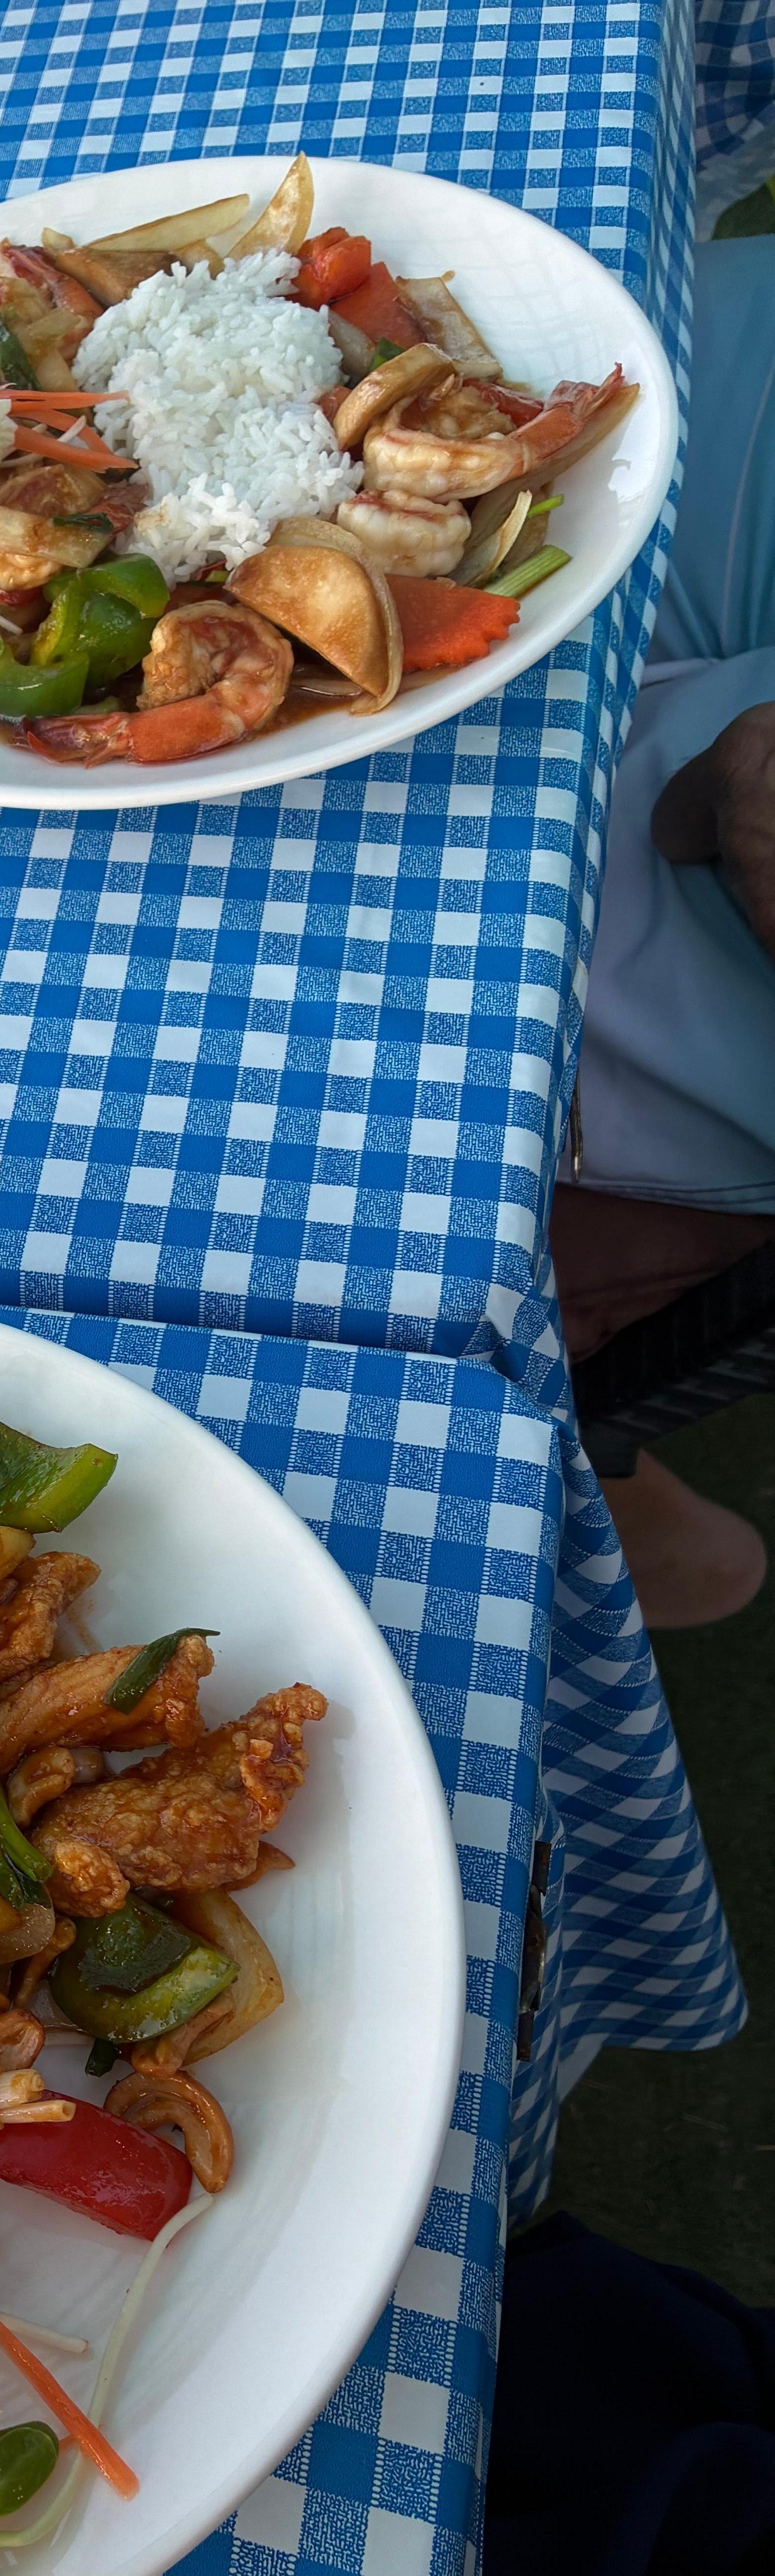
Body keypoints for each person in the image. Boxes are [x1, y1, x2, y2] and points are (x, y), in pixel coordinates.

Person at [550, 214, 775, 1627]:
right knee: (584, 371)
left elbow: (729, 790)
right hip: (704, 718)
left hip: (667, 1009)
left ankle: (606, 1493)